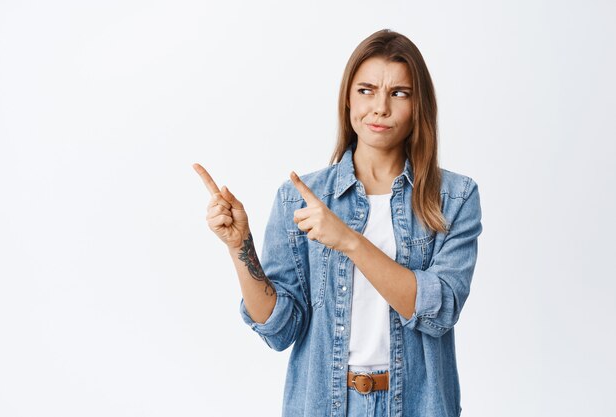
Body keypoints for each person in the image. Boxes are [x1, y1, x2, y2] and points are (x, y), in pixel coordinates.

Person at [193, 28, 482, 417]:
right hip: (324, 404)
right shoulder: (300, 197)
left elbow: (439, 311)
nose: (379, 107)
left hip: (417, 404)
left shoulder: (454, 198)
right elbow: (279, 330)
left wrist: (349, 239)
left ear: (419, 106)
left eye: (399, 93)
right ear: (347, 98)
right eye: (366, 90)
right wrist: (239, 247)